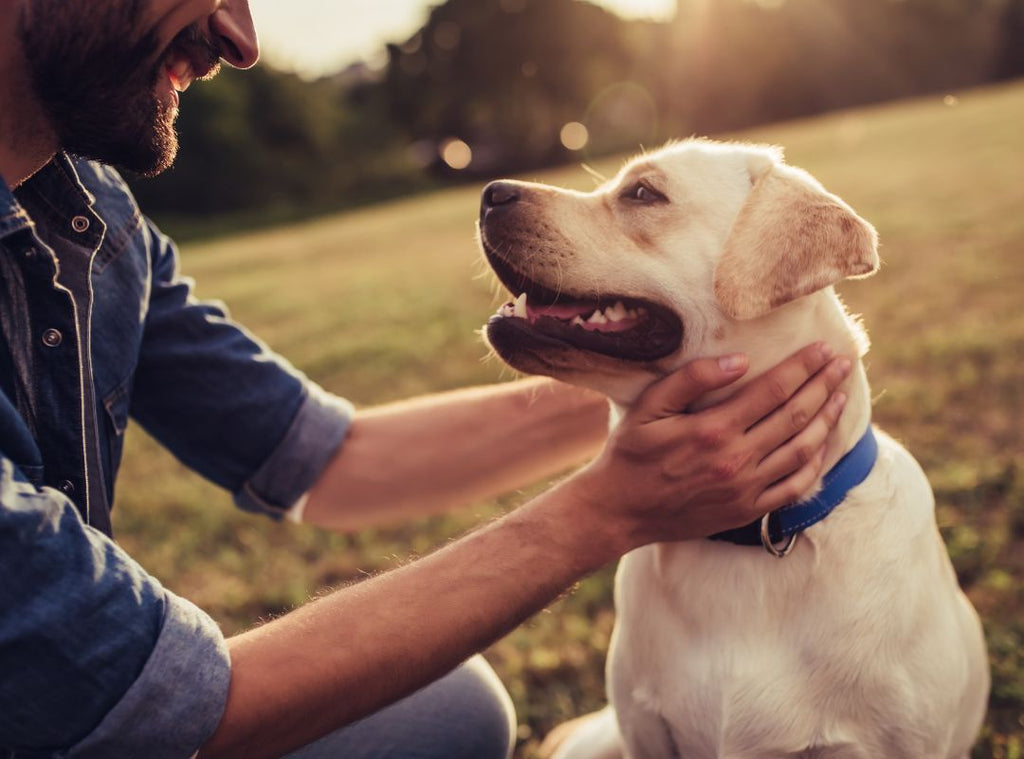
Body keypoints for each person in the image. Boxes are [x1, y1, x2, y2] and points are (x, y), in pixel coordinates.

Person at [0, 1, 852, 757]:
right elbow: (152, 710)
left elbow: (331, 458)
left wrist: (679, 373)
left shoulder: (92, 216)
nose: (241, 35)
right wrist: (609, 508)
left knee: (448, 711)